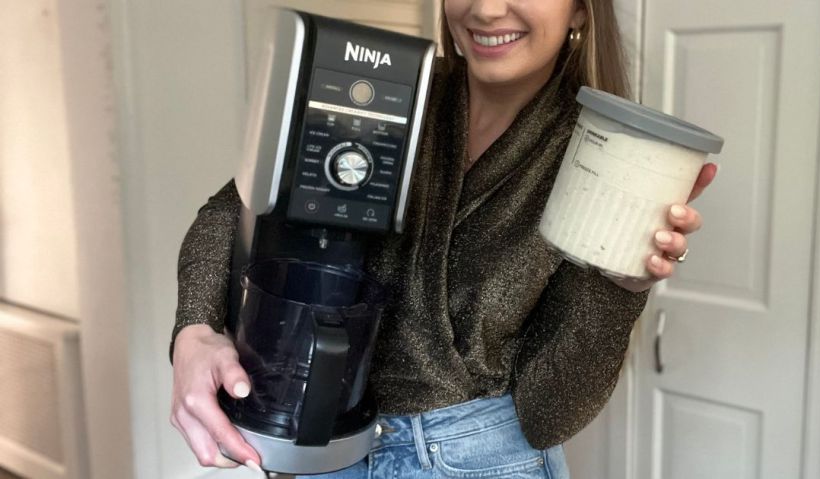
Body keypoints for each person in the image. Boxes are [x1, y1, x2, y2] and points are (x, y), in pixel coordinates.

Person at [170, 0, 717, 477]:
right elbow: (233, 211)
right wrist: (192, 332)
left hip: (483, 464)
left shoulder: (603, 160)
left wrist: (620, 287)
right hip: (328, 450)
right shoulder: (386, 91)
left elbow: (549, 413)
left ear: (580, 8)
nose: (484, 9)